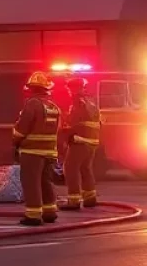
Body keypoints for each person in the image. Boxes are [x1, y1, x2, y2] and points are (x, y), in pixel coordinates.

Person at [12, 71, 62, 226]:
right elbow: (58, 129)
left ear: (31, 88)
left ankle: (33, 215)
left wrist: (15, 140)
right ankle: (50, 212)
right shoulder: (54, 106)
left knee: (31, 182)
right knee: (45, 182)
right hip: (50, 152)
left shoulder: (32, 104)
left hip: (32, 152)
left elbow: (22, 128)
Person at [61, 76, 101, 210]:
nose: (69, 91)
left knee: (70, 168)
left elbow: (74, 121)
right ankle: (90, 198)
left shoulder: (77, 101)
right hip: (92, 141)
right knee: (86, 168)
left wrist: (65, 133)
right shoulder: (91, 101)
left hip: (80, 140)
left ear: (75, 88)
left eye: (70, 88)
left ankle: (74, 201)